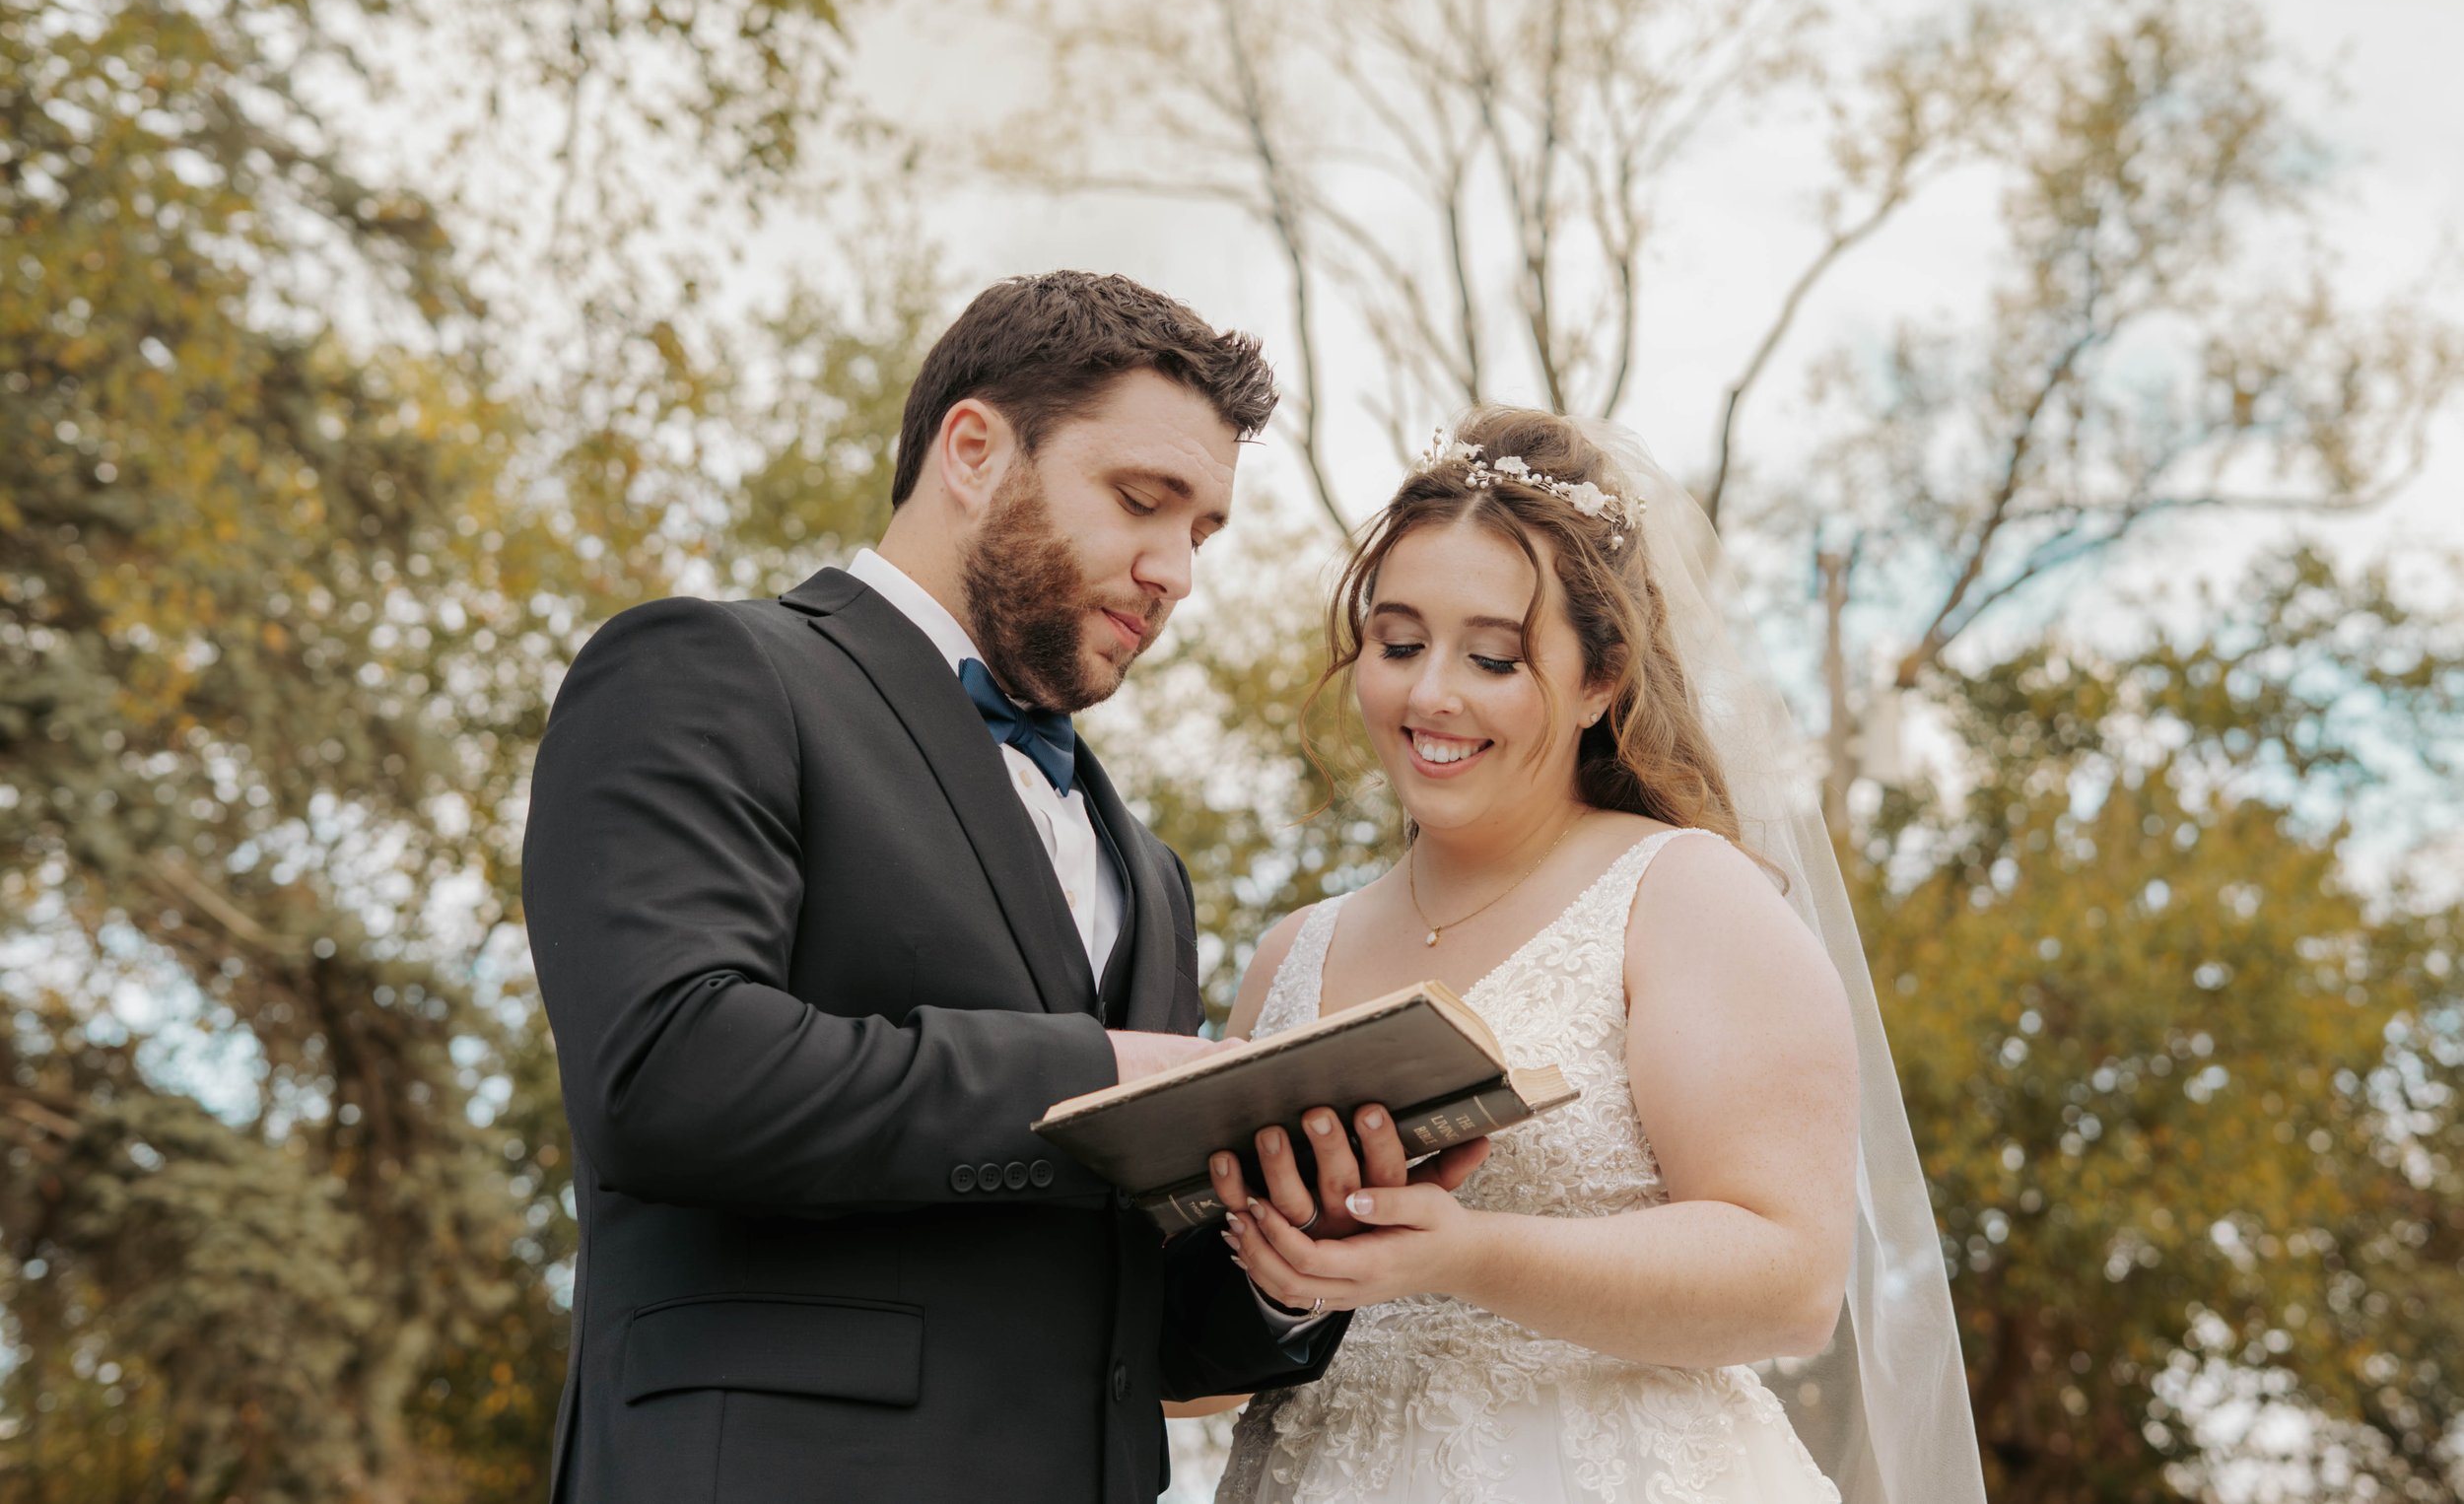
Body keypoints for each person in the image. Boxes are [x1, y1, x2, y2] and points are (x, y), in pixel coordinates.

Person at [521, 272, 1429, 1503]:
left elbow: (1130, 1330)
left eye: (1202, 531)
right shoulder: (709, 669)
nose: (1175, 571)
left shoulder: (1148, 875)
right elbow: (669, 1073)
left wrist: (1295, 1243)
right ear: (973, 448)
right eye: (1140, 501)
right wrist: (1099, 1076)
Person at [1205, 408, 1988, 1504]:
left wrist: (1459, 1253)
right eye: (1396, 643)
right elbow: (1183, 1370)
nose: (1432, 692)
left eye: (1491, 655)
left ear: (1599, 680)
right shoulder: (1293, 953)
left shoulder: (1686, 899)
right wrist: (1289, 1287)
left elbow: (1791, 1281)